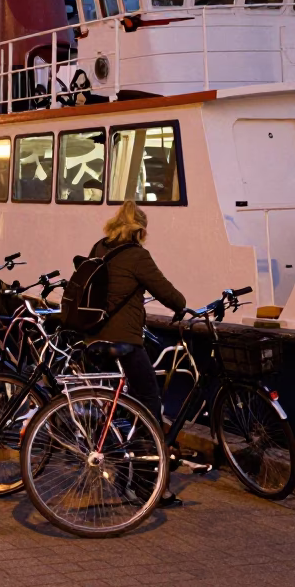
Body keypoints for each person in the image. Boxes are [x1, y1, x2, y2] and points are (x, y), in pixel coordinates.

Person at [86, 200, 187, 506]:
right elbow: (166, 291)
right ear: (140, 229)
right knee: (149, 405)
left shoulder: (99, 247)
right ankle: (145, 486)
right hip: (124, 340)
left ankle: (120, 460)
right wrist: (181, 305)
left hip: (94, 337)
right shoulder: (136, 255)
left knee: (117, 405)